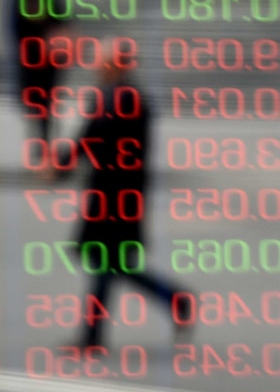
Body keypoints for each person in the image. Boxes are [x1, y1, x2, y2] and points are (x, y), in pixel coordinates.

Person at [43, 37, 191, 349]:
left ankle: (93, 337)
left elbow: (92, 138)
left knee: (105, 260)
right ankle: (175, 299)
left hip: (114, 195)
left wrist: (60, 165)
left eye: (101, 61)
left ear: (113, 64)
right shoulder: (121, 96)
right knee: (112, 262)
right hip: (119, 193)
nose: (96, 66)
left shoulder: (119, 99)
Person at [10, 0, 68, 145]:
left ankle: (44, 140)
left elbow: (61, 22)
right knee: (31, 103)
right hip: (28, 61)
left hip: (48, 62)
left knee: (46, 104)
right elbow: (14, 28)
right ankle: (39, 140)